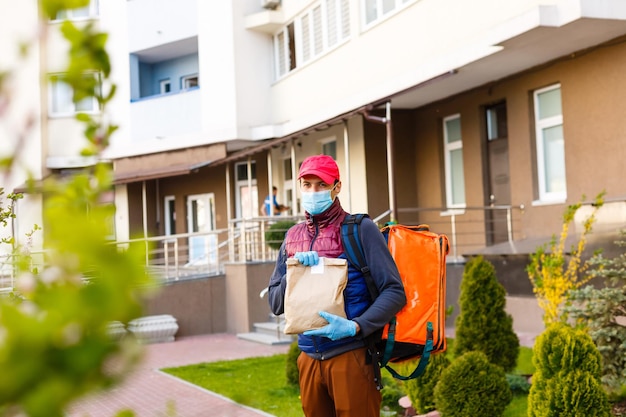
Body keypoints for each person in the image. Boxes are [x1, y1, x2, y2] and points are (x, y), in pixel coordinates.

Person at [267, 154, 406, 417]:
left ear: (336, 187)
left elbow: (394, 291)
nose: (313, 191)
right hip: (308, 358)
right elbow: (275, 303)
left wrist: (355, 327)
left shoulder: (360, 229)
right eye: (307, 185)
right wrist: (292, 272)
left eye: (321, 184)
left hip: (350, 356)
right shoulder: (292, 237)